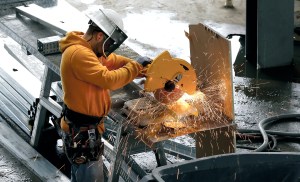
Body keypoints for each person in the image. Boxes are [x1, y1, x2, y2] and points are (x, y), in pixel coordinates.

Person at [59, 7, 150, 182]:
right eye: (109, 43)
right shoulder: (79, 54)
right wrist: (135, 67)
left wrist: (141, 68)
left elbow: (112, 61)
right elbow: (108, 79)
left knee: (81, 176)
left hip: (84, 128)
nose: (108, 48)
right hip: (82, 132)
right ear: (100, 36)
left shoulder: (88, 49)